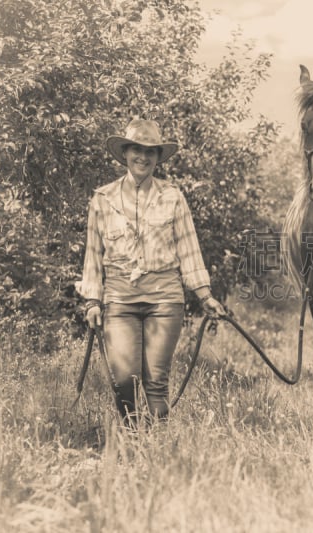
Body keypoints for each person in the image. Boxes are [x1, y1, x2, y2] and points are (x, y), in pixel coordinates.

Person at [80, 118, 226, 426]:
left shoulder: (172, 196)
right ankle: (133, 439)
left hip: (165, 300)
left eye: (150, 152)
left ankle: (156, 448)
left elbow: (188, 249)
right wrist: (93, 301)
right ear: (126, 153)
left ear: (158, 157)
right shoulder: (102, 199)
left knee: (156, 383)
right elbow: (93, 254)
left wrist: (205, 295)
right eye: (137, 150)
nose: (143, 158)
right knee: (123, 381)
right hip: (120, 299)